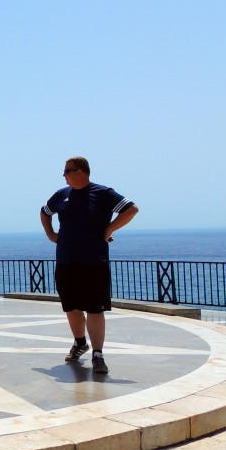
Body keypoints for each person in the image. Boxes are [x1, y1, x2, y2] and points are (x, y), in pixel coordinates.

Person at [41, 156, 139, 375]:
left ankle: (98, 354)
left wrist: (109, 230)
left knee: (95, 308)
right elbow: (44, 212)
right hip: (66, 260)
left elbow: (131, 209)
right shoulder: (61, 195)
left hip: (94, 261)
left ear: (80, 172)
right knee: (72, 307)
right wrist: (51, 234)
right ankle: (79, 343)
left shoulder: (103, 193)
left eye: (67, 171)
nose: (63, 175)